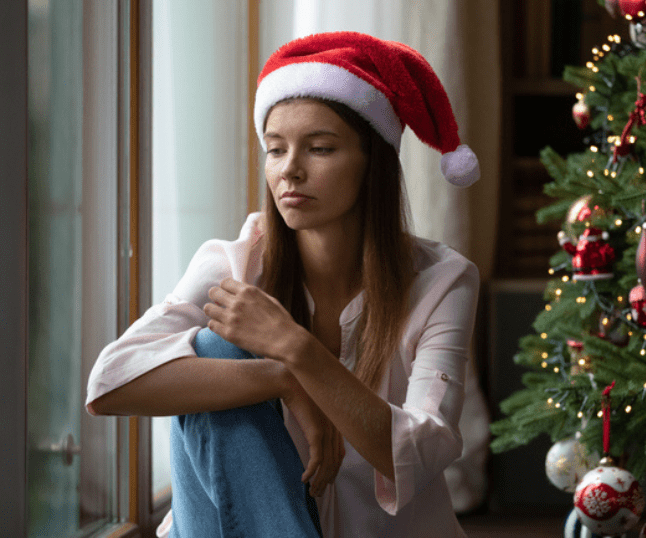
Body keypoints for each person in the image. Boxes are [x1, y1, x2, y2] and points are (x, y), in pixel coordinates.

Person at [86, 31, 481, 537]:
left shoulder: (442, 281)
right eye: (275, 150)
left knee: (216, 348)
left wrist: (299, 351)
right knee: (215, 349)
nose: (290, 170)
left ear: (374, 163)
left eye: (319, 148)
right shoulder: (235, 262)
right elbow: (109, 383)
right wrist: (281, 378)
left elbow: (422, 448)